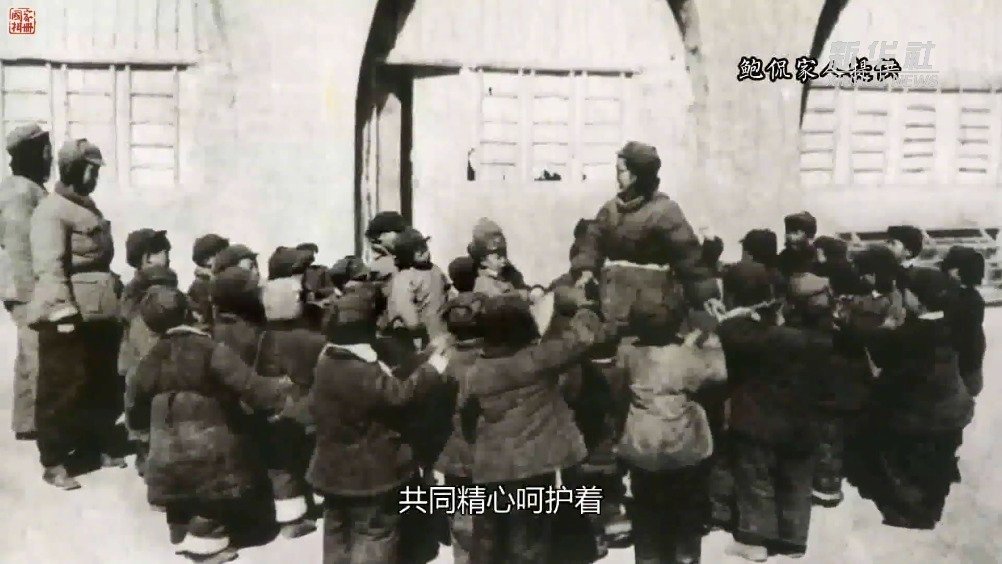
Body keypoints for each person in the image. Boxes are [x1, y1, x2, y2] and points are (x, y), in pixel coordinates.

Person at [127, 286, 294, 563]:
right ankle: (207, 538)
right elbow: (250, 387)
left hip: (166, 452)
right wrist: (281, 394)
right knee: (218, 480)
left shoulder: (150, 360)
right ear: (188, 313)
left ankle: (180, 526)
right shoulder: (211, 350)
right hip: (209, 450)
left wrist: (144, 434)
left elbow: (134, 405)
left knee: (178, 481)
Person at [308, 288, 448, 564]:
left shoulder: (328, 360)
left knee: (337, 528)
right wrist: (433, 367)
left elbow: (384, 383)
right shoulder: (361, 371)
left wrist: (423, 356)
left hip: (332, 470)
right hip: (369, 474)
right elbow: (400, 394)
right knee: (374, 532)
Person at [463, 293, 605, 563]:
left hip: (493, 465)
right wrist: (585, 308)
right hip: (534, 464)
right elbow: (583, 338)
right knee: (529, 539)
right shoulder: (536, 359)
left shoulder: (475, 371)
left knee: (493, 537)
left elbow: (466, 414)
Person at [840, 268, 973, 529]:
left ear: (920, 298)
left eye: (908, 292)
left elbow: (877, 349)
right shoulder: (949, 325)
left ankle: (912, 512)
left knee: (899, 454)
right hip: (955, 407)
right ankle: (933, 505)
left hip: (921, 414)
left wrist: (870, 327)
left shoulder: (909, 334)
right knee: (938, 460)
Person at [28, 138, 124, 489]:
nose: (94, 176)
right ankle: (54, 461)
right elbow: (49, 265)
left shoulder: (86, 208)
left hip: (97, 313)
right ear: (73, 169)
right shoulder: (51, 211)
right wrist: (62, 312)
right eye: (90, 169)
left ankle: (92, 446)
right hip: (69, 315)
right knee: (62, 387)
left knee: (99, 383)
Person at [718, 261, 829, 561]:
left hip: (756, 418)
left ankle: (755, 540)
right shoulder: (803, 329)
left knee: (756, 478)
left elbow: (728, 334)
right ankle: (793, 540)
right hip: (803, 418)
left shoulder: (737, 332)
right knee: (796, 479)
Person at [616, 299, 727, 564]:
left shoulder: (629, 353)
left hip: (642, 444)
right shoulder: (686, 357)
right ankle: (685, 557)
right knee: (685, 507)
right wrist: (712, 342)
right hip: (682, 445)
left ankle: (648, 558)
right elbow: (718, 374)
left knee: (646, 509)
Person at [572, 141, 718, 336]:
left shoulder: (664, 211)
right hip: (612, 300)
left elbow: (689, 259)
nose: (616, 176)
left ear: (636, 176)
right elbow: (592, 241)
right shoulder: (610, 210)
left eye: (620, 171)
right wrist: (586, 270)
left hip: (653, 305)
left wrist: (707, 295)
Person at [260, 246, 323, 539]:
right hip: (307, 405)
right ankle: (319, 500)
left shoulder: (262, 337)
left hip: (274, 408)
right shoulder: (311, 337)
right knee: (310, 452)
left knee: (282, 463)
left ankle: (291, 516)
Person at [0, 123, 51, 440]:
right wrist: (37, 293)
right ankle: (45, 427)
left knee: (27, 353)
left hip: (19, 287)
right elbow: (20, 248)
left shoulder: (20, 187)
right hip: (26, 287)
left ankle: (26, 422)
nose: (49, 157)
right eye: (45, 150)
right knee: (38, 354)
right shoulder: (21, 192)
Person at [118, 264, 180, 479]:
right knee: (142, 415)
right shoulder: (137, 318)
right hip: (141, 378)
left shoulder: (171, 316)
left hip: (160, 379)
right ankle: (144, 453)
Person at [386, 227, 451, 350]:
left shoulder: (436, 270)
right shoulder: (405, 276)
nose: (422, 252)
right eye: (415, 250)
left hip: (440, 330)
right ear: (405, 255)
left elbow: (447, 292)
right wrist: (414, 324)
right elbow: (404, 306)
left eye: (423, 247)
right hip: (418, 337)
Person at [941, 246, 986, 398]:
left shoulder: (958, 300)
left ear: (957, 271)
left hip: (962, 366)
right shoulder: (974, 298)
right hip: (971, 362)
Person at [466, 217, 533, 298]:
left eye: (503, 255)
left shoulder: (510, 272)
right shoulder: (479, 280)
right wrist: (520, 294)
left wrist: (536, 289)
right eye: (498, 257)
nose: (503, 260)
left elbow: (523, 287)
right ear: (483, 261)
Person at [187, 234, 230, 330]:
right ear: (207, 260)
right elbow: (203, 321)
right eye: (221, 253)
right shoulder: (201, 285)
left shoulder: (219, 280)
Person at [778, 211, 818, 278]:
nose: (789, 236)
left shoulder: (816, 258)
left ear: (809, 235)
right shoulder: (784, 257)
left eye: (795, 232)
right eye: (787, 231)